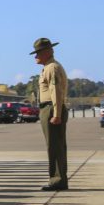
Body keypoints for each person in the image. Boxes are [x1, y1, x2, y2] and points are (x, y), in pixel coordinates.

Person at [29, 38, 68, 190]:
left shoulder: (52, 67)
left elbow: (56, 92)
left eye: (38, 52)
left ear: (47, 52)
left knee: (55, 146)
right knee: (54, 146)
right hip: (48, 108)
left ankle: (58, 180)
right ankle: (57, 179)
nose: (35, 56)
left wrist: (56, 114)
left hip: (51, 108)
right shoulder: (48, 67)